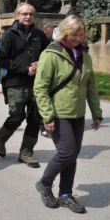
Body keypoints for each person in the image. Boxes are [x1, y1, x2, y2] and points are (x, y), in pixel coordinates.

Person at [34, 15, 102, 213]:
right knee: (67, 152)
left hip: (78, 113)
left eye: (81, 34)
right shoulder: (51, 54)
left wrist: (96, 113)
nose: (78, 38)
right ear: (65, 32)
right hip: (58, 112)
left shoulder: (84, 54)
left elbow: (91, 86)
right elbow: (40, 88)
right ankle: (45, 184)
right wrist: (47, 116)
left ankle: (65, 194)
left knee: (72, 155)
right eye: (74, 34)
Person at [0, 3, 49, 168]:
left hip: (36, 84)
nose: (28, 17)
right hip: (15, 82)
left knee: (34, 118)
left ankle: (26, 152)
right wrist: (25, 69)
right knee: (17, 116)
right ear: (18, 15)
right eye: (24, 14)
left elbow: (48, 56)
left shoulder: (40, 35)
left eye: (31, 14)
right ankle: (1, 138)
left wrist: (41, 65)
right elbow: (2, 59)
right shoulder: (10, 35)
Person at [38, 19, 56, 138]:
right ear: (45, 28)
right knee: (43, 100)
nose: (53, 29)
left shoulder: (52, 40)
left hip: (52, 75)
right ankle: (43, 126)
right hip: (41, 74)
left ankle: (49, 124)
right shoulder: (38, 40)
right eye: (51, 27)